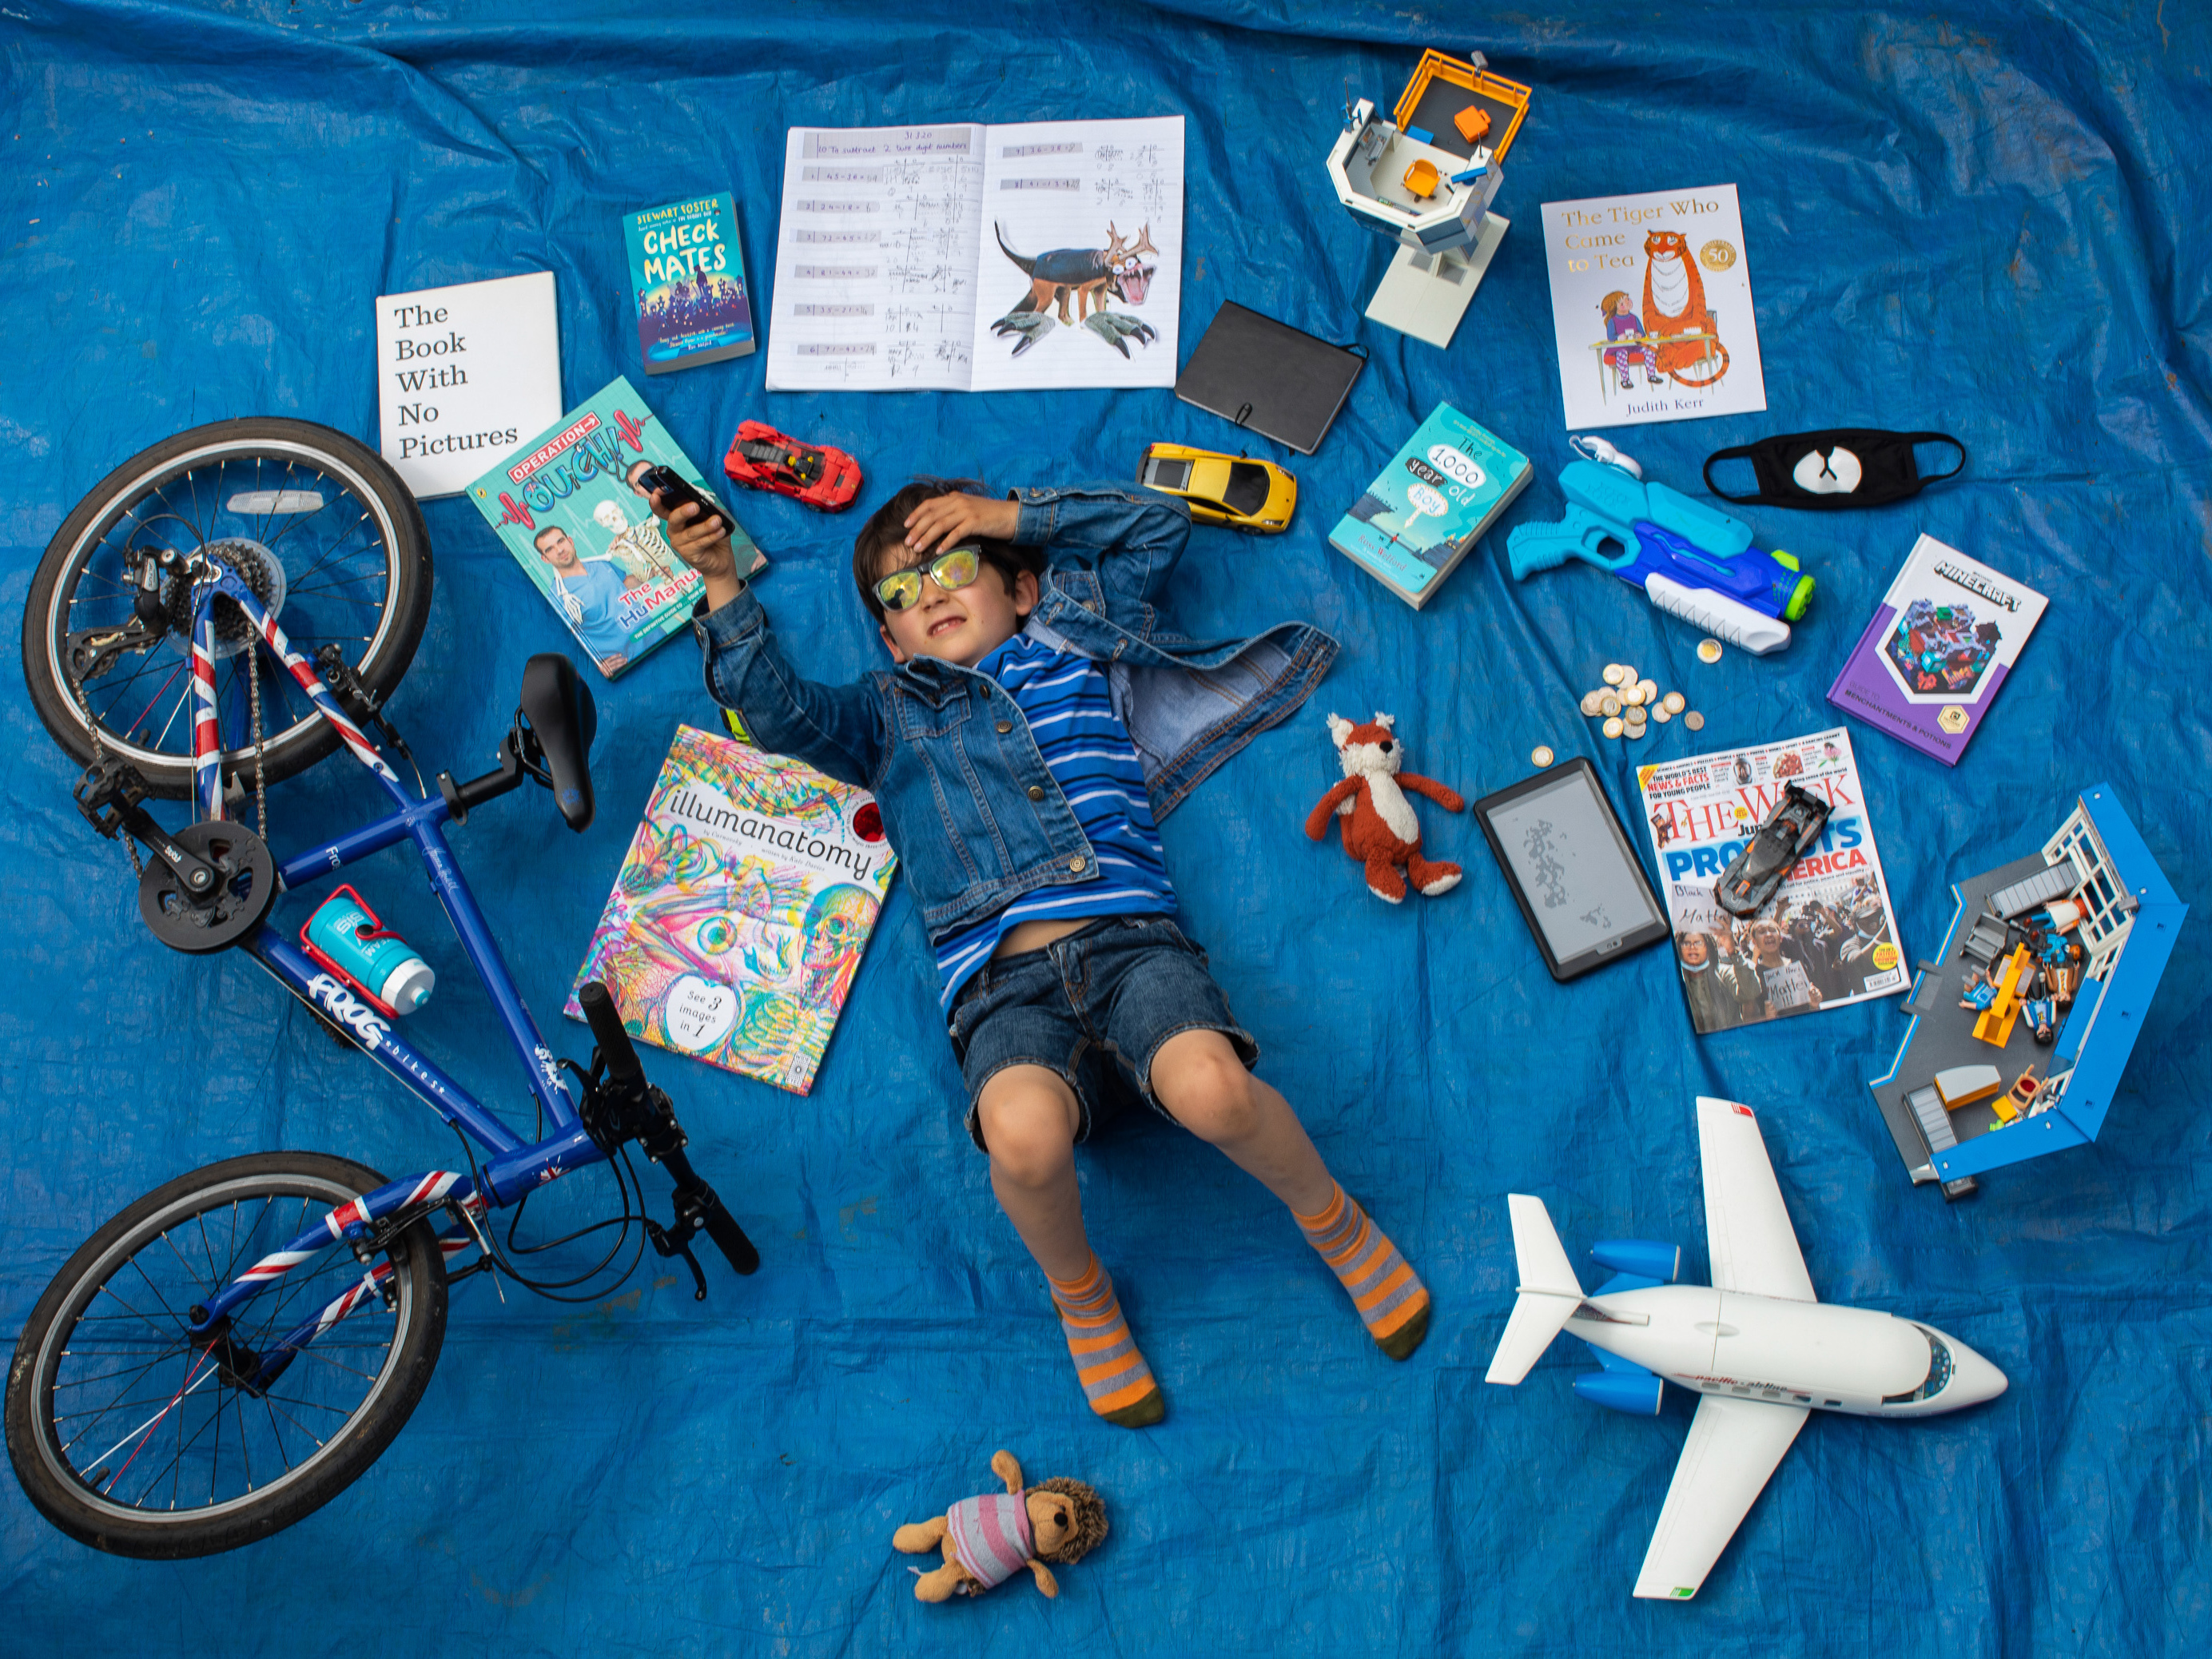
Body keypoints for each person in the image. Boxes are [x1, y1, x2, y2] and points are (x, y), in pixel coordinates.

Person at [650, 476, 1426, 1427]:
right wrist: (722, 577)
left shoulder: (1069, 641)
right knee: (1019, 1138)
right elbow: (773, 711)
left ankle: (1332, 1221)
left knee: (1213, 1090)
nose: (929, 590)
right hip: (1000, 992)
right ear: (889, 642)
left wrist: (1005, 517)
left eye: (953, 562)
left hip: (1131, 948)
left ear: (1019, 590)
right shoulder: (883, 714)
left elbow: (1159, 524)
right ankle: (1081, 1296)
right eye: (902, 591)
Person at [534, 524, 644, 670]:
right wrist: (596, 666)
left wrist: (651, 572)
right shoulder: (556, 598)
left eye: (561, 541)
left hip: (655, 634)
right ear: (545, 559)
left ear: (570, 541)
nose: (560, 550)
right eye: (550, 549)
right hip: (630, 661)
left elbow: (623, 585)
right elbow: (564, 641)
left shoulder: (601, 564)